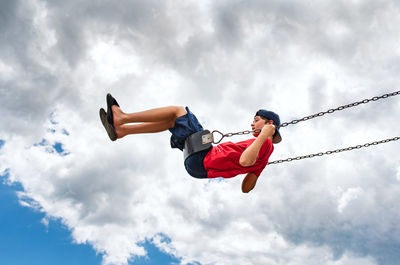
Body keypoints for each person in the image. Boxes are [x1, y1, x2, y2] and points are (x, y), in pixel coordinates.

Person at [100, 94, 281, 193]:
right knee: (172, 121)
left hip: (204, 158)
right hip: (198, 168)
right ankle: (122, 131)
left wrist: (263, 137)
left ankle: (122, 117)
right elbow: (246, 188)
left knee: (177, 111)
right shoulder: (263, 155)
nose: (252, 123)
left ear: (269, 124)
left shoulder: (265, 144)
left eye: (256, 120)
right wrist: (258, 167)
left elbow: (244, 163)